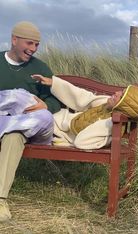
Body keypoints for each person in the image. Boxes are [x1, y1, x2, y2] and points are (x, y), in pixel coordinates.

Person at [0, 21, 61, 222]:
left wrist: (46, 106)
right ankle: (0, 200)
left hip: (37, 127)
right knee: (13, 135)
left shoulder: (40, 67)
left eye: (36, 45)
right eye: (29, 43)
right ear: (14, 39)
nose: (33, 49)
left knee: (35, 111)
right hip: (12, 128)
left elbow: (55, 100)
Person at [32, 74, 138, 149]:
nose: (116, 92)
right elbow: (84, 97)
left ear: (125, 105)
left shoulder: (110, 124)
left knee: (28, 111)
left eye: (121, 95)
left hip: (56, 129)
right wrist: (54, 83)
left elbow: (81, 142)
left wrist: (108, 126)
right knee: (27, 103)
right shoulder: (106, 103)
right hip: (60, 119)